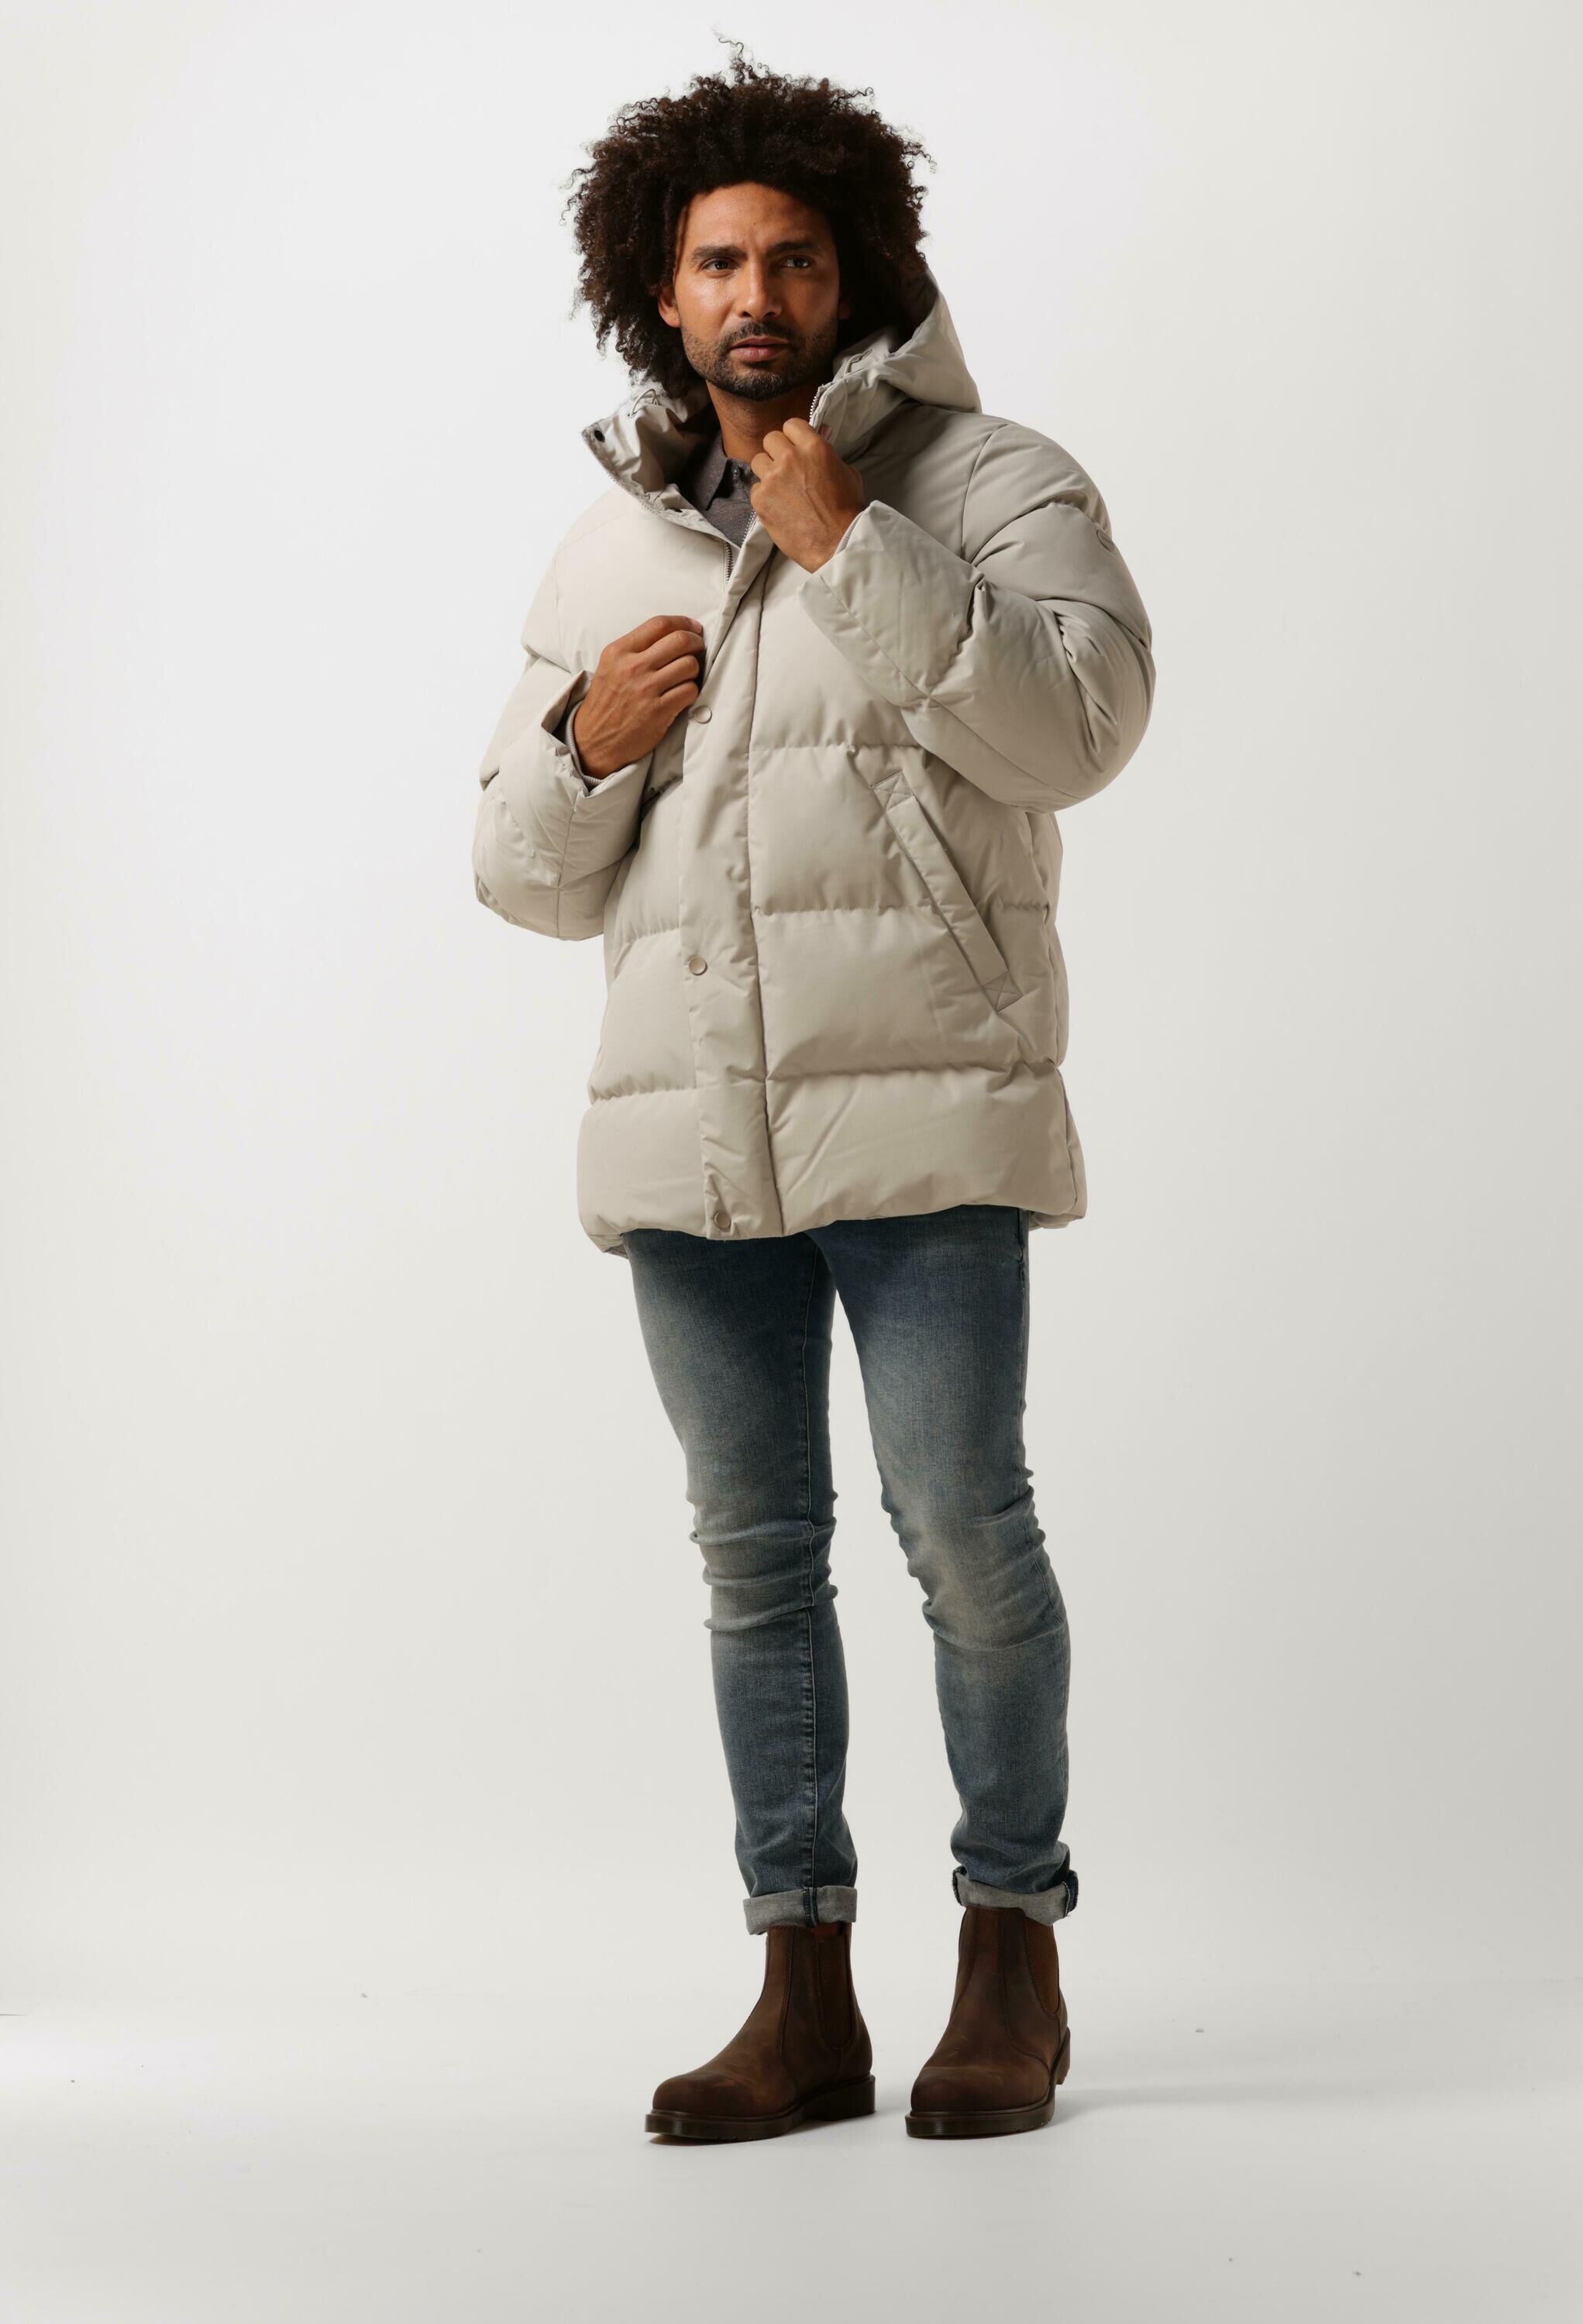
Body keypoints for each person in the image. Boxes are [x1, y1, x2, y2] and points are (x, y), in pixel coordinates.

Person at [470, 43, 1155, 2143]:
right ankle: (802, 1991)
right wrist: (583, 743)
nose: (752, 296)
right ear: (656, 291)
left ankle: (1009, 1953)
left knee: (961, 1533)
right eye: (714, 263)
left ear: (854, 270)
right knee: (754, 1561)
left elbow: (1080, 729)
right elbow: (518, 874)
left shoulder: (993, 482)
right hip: (691, 1131)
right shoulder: (609, 548)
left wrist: (855, 547)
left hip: (926, 1110)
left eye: (789, 257)